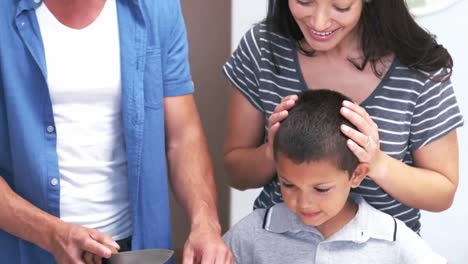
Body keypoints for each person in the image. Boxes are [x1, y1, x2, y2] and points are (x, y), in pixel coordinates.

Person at [0, 0, 232, 263]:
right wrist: (50, 233)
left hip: (134, 248)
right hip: (27, 246)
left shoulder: (158, 9)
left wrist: (205, 224)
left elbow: (183, 137)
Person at [222, 0, 463, 233]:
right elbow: (236, 174)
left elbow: (442, 193)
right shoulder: (263, 48)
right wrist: (271, 152)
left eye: (341, 7)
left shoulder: (418, 67)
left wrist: (377, 163)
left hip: (382, 252)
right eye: (304, 1)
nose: (319, 22)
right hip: (280, 245)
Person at [223, 89, 446, 264]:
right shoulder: (253, 233)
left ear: (357, 175)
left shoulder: (391, 238)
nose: (303, 202)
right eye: (288, 185)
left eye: (321, 189)